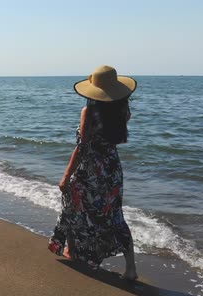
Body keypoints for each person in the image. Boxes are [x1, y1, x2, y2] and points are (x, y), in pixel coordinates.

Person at [48, 65, 138, 280]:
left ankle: (72, 250)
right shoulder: (123, 111)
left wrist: (66, 177)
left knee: (72, 205)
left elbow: (82, 147)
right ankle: (131, 268)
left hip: (91, 168)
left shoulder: (89, 111)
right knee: (114, 216)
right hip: (112, 168)